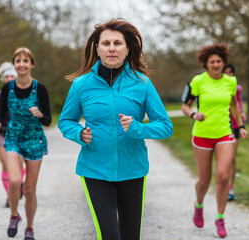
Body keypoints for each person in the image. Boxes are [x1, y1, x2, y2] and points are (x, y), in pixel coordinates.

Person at [58, 19, 173, 240]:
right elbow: (65, 121)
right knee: (109, 235)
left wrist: (138, 128)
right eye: (106, 43)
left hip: (133, 169)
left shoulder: (142, 84)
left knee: (131, 236)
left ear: (128, 49)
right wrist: (79, 133)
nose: (112, 48)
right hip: (95, 169)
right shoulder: (81, 85)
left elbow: (165, 126)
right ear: (97, 48)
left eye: (118, 43)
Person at [181, 44, 247, 238]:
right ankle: (199, 205)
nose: (216, 64)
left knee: (224, 176)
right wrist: (194, 115)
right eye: (212, 62)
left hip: (224, 134)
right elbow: (185, 106)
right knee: (204, 180)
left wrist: (240, 126)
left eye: (219, 61)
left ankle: (220, 218)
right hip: (202, 135)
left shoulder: (230, 82)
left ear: (223, 62)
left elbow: (234, 104)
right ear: (206, 64)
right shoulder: (198, 81)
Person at [0, 47, 51, 240]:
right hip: (13, 138)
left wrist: (39, 114)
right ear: (14, 64)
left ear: (31, 64)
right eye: (18, 61)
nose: (22, 64)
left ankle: (30, 228)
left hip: (34, 139)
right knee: (15, 181)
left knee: (30, 190)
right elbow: (0, 112)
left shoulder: (39, 89)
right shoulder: (7, 88)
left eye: (25, 61)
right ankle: (14, 216)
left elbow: (48, 119)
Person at [0, 62, 26, 208]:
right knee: (6, 166)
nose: (9, 78)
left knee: (18, 165)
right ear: (3, 79)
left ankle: (18, 185)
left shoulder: (25, 92)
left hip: (20, 135)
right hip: (2, 134)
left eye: (12, 76)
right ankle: (10, 196)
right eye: (7, 76)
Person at [222, 63, 247, 201]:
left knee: (231, 157)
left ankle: (230, 187)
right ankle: (221, 182)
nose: (230, 75)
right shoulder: (218, 87)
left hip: (235, 124)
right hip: (223, 123)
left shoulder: (236, 87)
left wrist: (241, 113)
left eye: (231, 72)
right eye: (227, 72)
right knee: (222, 158)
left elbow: (238, 102)